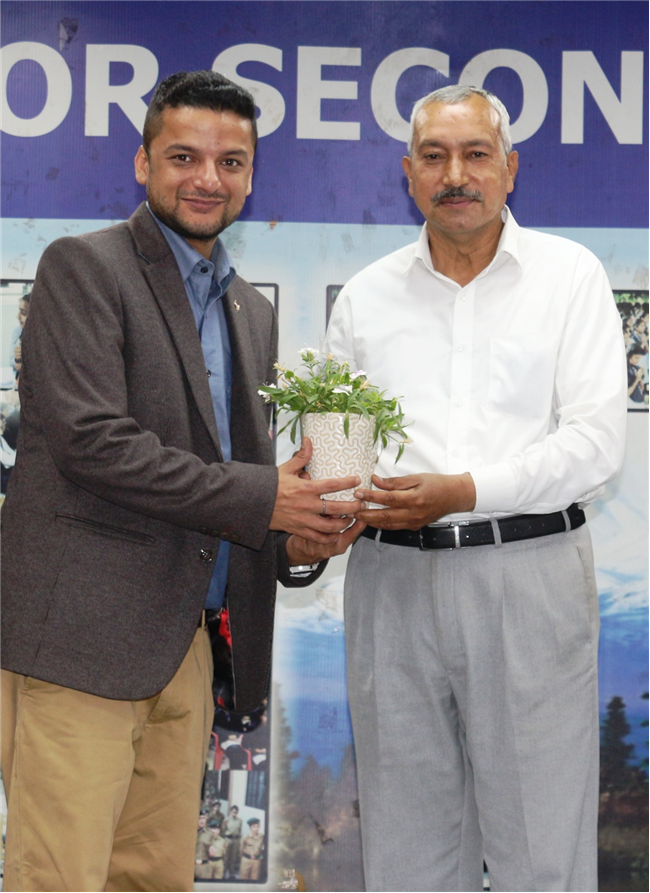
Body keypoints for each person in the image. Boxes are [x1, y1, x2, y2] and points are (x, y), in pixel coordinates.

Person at [0, 70, 364, 893]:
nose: (208, 178)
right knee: (57, 878)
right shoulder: (83, 268)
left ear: (250, 176)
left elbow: (233, 478)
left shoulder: (249, 311)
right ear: (143, 164)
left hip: (188, 648)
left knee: (155, 879)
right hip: (81, 642)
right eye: (184, 157)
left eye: (230, 162)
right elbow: (94, 442)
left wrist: (296, 533)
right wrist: (265, 497)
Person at [325, 85, 627, 892]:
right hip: (390, 580)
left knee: (541, 850)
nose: (454, 174)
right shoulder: (365, 297)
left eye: (475, 154)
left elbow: (595, 444)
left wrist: (462, 490)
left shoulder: (570, 277)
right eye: (434, 156)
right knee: (407, 853)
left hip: (527, 574)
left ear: (510, 168)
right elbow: (337, 456)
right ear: (408, 174)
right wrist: (325, 507)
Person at [222, 804, 244, 878]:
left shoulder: (240, 820)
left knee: (234, 858)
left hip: (236, 840)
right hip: (228, 839)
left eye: (236, 812)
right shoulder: (226, 820)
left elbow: (240, 830)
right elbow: (223, 829)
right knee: (226, 857)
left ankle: (232, 874)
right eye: (233, 812)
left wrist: (239, 841)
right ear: (231, 811)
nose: (235, 813)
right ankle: (223, 874)